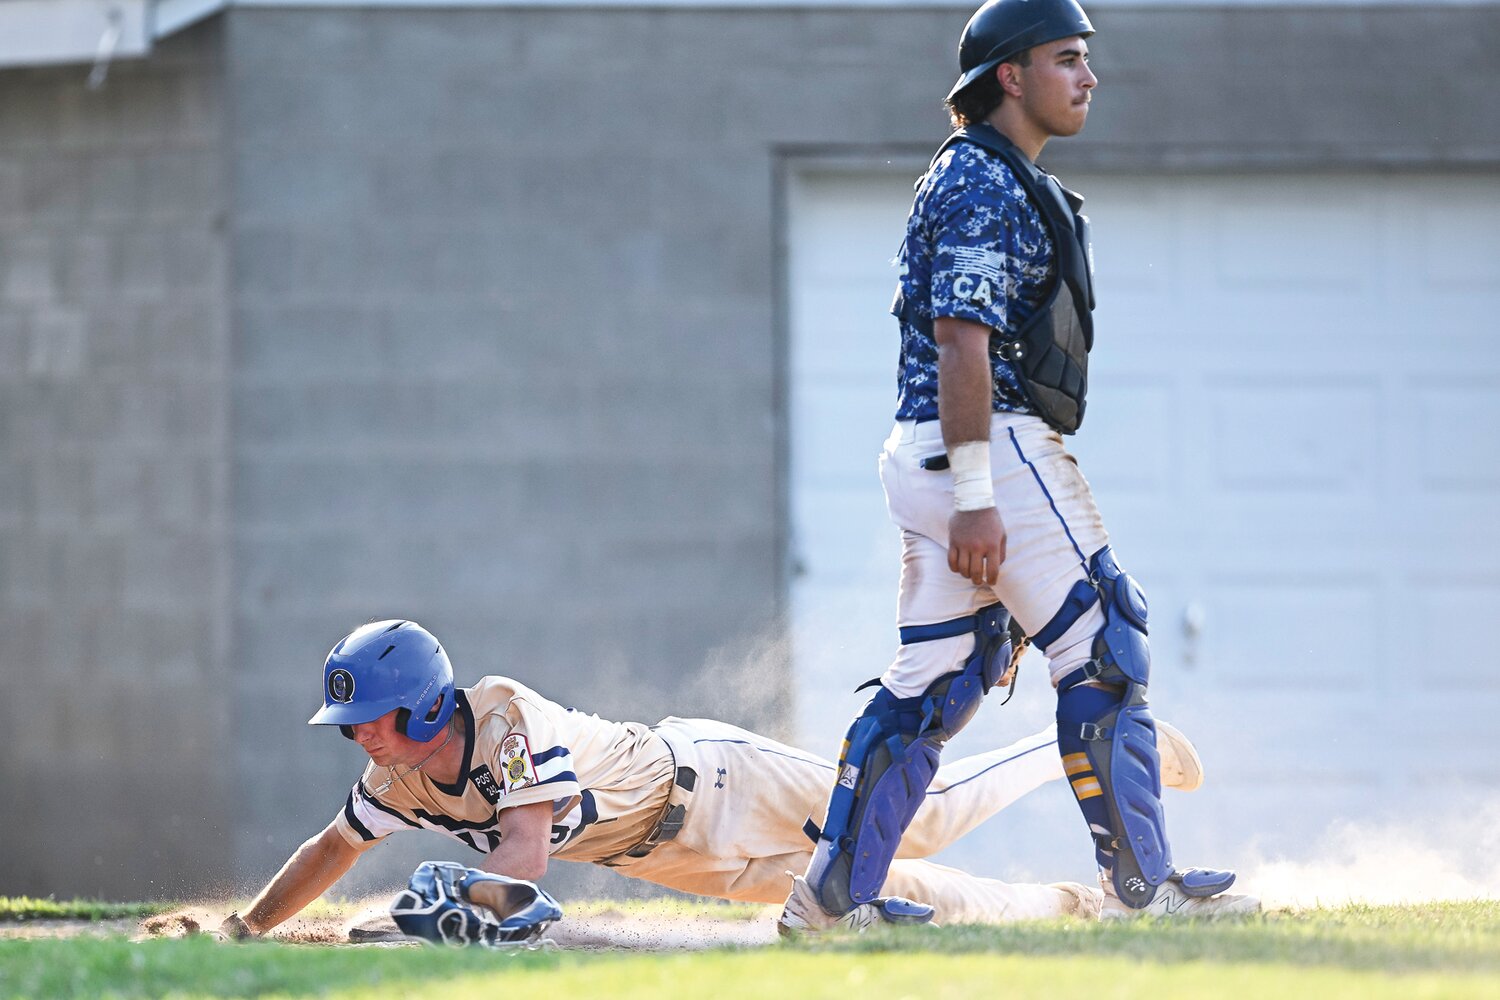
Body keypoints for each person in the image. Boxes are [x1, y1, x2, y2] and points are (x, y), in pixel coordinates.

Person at [779, 0, 1259, 932]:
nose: (1087, 78)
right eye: (1067, 59)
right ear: (1011, 75)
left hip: (935, 448)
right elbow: (964, 343)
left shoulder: (982, 174)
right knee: (1104, 642)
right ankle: (1145, 893)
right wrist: (974, 499)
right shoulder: (982, 182)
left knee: (938, 676)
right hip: (984, 445)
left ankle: (830, 902)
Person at [219, 619, 1209, 938]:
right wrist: (245, 927)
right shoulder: (398, 775)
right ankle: (1078, 906)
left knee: (926, 821)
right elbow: (330, 847)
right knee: (919, 895)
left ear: (427, 705)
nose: (360, 738)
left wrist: (454, 907)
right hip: (677, 858)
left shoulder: (500, 719)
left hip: (721, 779)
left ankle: (1088, 746)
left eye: (371, 718)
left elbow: (521, 857)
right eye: (350, 724)